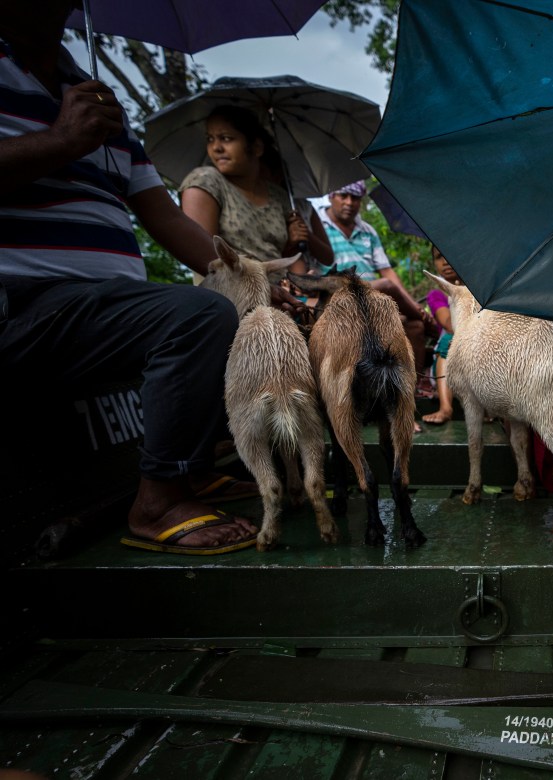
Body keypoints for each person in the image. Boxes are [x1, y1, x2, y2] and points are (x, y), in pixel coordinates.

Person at [0, 0, 262, 552]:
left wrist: (254, 276)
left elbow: (163, 216)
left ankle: (190, 467)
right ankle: (159, 500)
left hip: (105, 309)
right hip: (24, 304)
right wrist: (60, 142)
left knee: (247, 314)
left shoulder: (94, 98)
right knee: (196, 316)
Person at [179, 105, 333, 274]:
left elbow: (282, 257)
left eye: (226, 138)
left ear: (257, 147)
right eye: (210, 139)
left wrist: (298, 280)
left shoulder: (278, 196)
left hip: (281, 291)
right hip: (232, 295)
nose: (216, 147)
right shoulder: (206, 181)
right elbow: (204, 259)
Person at [318, 180, 435, 397]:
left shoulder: (367, 231)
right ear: (331, 197)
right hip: (339, 298)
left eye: (355, 198)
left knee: (416, 326)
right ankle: (431, 323)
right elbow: (387, 281)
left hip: (374, 302)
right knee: (387, 285)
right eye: (343, 196)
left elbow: (387, 270)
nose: (349, 202)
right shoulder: (319, 226)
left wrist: (406, 301)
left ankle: (407, 395)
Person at [422, 244, 460, 425]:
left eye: (450, 255)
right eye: (439, 257)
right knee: (448, 340)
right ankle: (446, 408)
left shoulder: (478, 291)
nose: (445, 261)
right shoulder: (436, 295)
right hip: (448, 359)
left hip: (475, 355)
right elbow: (449, 324)